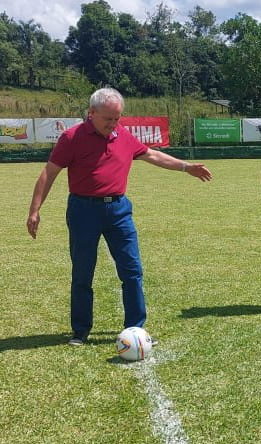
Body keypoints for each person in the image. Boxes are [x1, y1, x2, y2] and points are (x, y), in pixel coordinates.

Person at [26, 87, 212, 346]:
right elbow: (49, 173)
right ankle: (80, 331)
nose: (113, 124)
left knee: (132, 270)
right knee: (82, 272)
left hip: (119, 210)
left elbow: (152, 155)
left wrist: (185, 167)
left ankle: (136, 328)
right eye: (108, 119)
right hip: (83, 210)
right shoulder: (71, 138)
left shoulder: (122, 135)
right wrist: (35, 210)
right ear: (92, 113)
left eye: (117, 118)